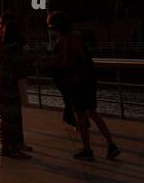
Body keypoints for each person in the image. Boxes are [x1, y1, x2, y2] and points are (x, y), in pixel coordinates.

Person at [48, 10, 120, 161]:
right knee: (93, 112)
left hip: (76, 82)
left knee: (80, 115)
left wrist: (52, 61)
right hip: (88, 80)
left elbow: (65, 63)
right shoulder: (77, 37)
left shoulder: (64, 41)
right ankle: (111, 144)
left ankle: (87, 149)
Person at [0, 15, 29, 159]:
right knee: (14, 118)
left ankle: (5, 147)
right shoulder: (15, 48)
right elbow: (19, 66)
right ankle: (14, 147)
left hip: (1, 83)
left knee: (4, 118)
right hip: (12, 86)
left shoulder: (0, 46)